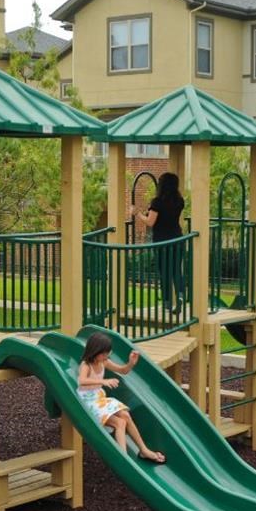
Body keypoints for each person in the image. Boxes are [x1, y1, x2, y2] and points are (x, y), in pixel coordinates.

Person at [76, 333, 165, 463]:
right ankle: (123, 458)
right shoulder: (86, 365)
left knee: (125, 415)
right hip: (88, 403)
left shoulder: (104, 362)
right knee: (120, 422)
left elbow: (123, 370)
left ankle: (144, 450)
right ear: (95, 351)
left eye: (107, 353)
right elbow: (81, 381)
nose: (106, 356)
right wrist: (104, 382)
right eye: (104, 353)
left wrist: (130, 363)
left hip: (100, 399)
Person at [131, 172, 186, 313]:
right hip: (178, 239)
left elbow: (150, 221)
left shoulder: (157, 202)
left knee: (164, 272)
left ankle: (167, 303)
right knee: (176, 271)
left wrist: (137, 213)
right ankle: (180, 297)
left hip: (162, 242)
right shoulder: (179, 201)